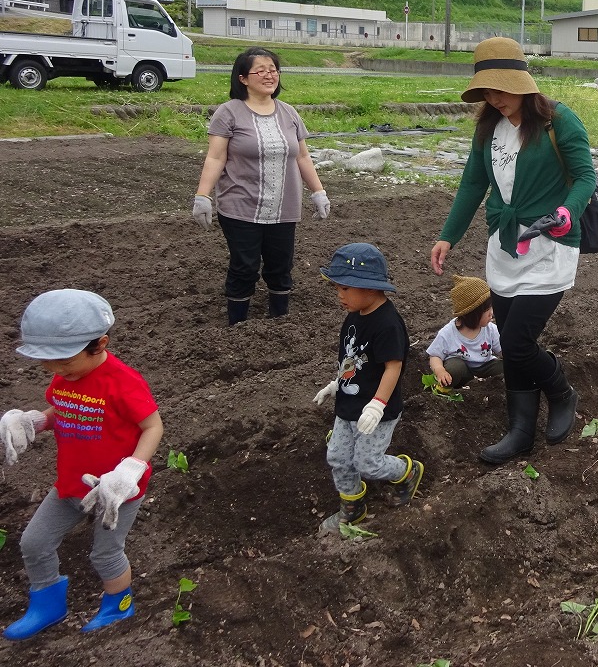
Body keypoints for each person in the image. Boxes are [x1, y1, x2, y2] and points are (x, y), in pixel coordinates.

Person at [430, 37, 596, 465]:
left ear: (522, 83)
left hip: (549, 245)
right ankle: (520, 430)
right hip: (504, 247)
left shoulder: (559, 121)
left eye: (501, 89)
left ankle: (561, 391)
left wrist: (567, 210)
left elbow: (585, 178)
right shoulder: (489, 128)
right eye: (487, 91)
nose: (495, 99)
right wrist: (449, 235)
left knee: (519, 343)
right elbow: (473, 183)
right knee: (511, 341)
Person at [1, 289, 163, 640]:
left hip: (114, 490)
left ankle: (119, 605)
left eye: (64, 362)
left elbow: (153, 426)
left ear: (100, 344)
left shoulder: (123, 382)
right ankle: (47, 604)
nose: (55, 370)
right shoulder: (66, 375)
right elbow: (62, 407)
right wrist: (34, 422)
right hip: (72, 480)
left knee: (105, 554)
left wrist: (131, 470)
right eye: (47, 363)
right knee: (34, 542)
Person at [192, 47, 331, 325]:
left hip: (283, 207)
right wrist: (202, 195)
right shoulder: (228, 113)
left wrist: (318, 191)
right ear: (243, 78)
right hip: (240, 206)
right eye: (261, 71)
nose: (269, 75)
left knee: (281, 266)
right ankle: (238, 325)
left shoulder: (289, 113)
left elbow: (302, 157)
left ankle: (279, 322)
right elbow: (216, 157)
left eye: (273, 70)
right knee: (244, 267)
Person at [313, 243, 423, 531]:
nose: (339, 294)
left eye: (345, 288)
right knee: (338, 457)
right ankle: (353, 507)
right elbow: (351, 358)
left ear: (370, 288)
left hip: (376, 410)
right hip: (348, 404)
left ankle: (407, 471)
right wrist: (337, 384)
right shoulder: (354, 316)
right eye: (337, 287)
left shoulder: (387, 324)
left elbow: (393, 367)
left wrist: (377, 405)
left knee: (367, 463)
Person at [426, 275, 504, 395]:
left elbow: (503, 350)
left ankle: (490, 386)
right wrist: (440, 371)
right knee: (454, 369)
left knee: (507, 368)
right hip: (462, 371)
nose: (491, 313)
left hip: (485, 367)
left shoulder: (490, 329)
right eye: (487, 310)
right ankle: (445, 390)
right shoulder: (448, 333)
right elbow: (435, 355)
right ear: (472, 313)